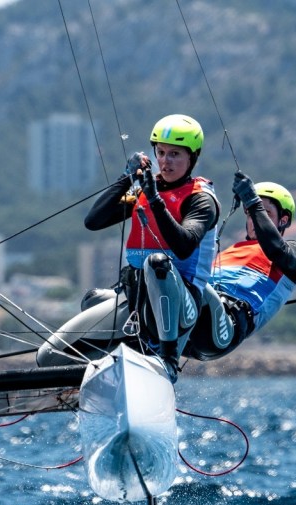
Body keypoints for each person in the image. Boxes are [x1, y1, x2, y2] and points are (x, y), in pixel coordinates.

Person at [35, 114, 220, 381]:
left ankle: (167, 360)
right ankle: (101, 380)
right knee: (49, 357)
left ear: (192, 157)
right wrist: (126, 177)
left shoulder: (201, 200)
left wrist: (155, 201)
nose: (165, 161)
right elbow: (93, 221)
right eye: (161, 153)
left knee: (158, 264)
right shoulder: (145, 191)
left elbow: (184, 245)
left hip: (180, 306)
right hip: (136, 301)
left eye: (175, 154)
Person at [184, 172, 296, 361]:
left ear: (283, 220)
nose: (254, 219)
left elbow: (276, 250)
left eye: (266, 213)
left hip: (224, 326)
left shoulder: (294, 253)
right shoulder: (229, 251)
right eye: (251, 214)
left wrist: (252, 201)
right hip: (191, 317)